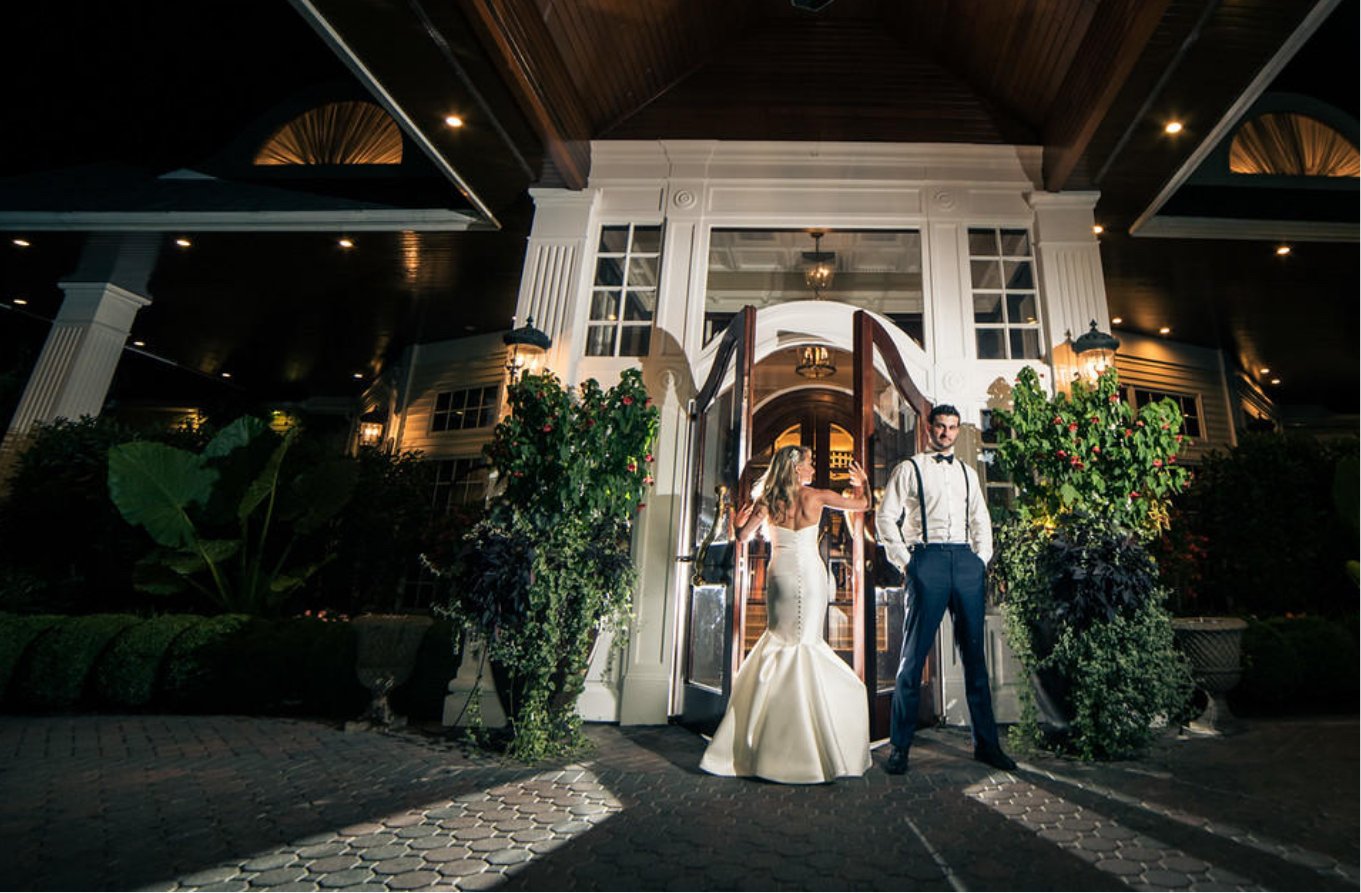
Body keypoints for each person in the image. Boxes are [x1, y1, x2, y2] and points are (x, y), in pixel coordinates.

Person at [699, 445, 872, 784]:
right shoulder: (817, 497)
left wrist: (737, 523)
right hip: (810, 575)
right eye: (809, 464)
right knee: (806, 642)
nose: (812, 468)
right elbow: (862, 505)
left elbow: (743, 536)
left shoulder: (768, 501)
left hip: (779, 575)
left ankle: (765, 740)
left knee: (780, 641)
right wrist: (862, 484)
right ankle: (810, 741)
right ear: (796, 469)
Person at [876, 404, 1017, 774]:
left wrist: (980, 560)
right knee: (912, 659)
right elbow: (885, 517)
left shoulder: (969, 474)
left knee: (975, 659)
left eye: (953, 428)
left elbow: (980, 520)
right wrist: (907, 563)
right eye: (940, 427)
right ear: (928, 428)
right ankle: (900, 748)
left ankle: (987, 745)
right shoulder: (910, 469)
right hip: (926, 561)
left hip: (965, 563)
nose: (946, 434)